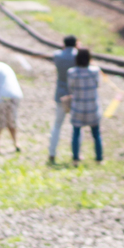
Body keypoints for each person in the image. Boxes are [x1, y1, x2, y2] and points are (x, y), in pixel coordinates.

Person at [67, 49, 103, 163]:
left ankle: (76, 158)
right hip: (92, 106)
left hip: (78, 106)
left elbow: (70, 87)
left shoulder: (72, 72)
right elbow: (98, 84)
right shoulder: (95, 71)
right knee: (96, 133)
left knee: (76, 132)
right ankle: (99, 158)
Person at [48, 35, 78, 165]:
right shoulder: (78, 56)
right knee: (76, 126)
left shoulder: (58, 55)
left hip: (60, 93)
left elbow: (57, 54)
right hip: (75, 95)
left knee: (57, 125)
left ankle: (52, 153)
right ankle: (76, 154)